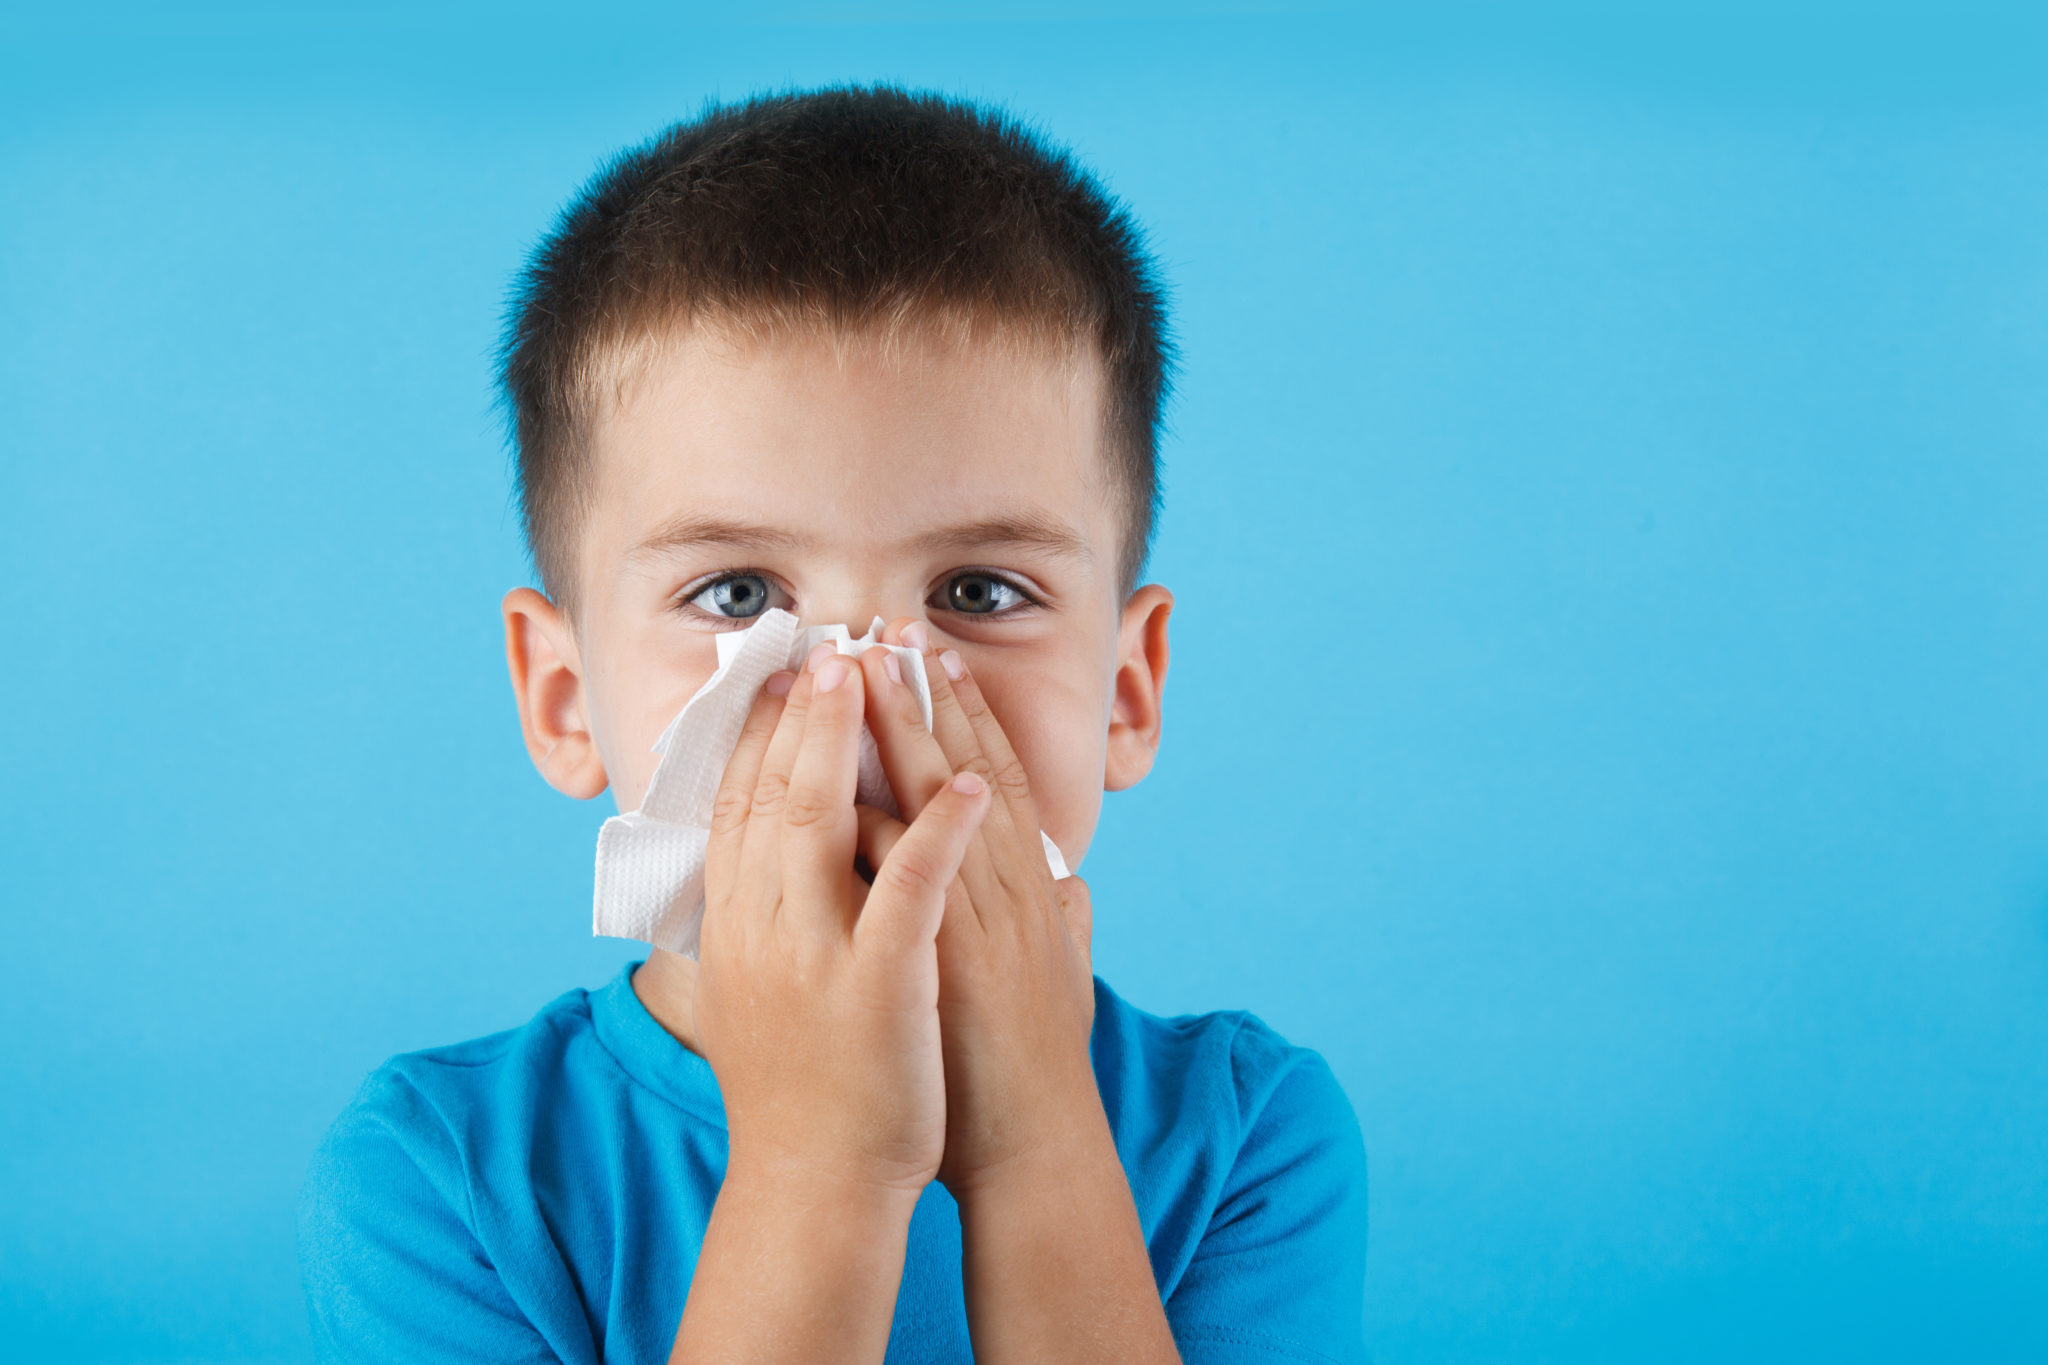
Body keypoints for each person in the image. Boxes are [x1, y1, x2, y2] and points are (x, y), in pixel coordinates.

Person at [297, 82, 1367, 1364]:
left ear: (1127, 693)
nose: (859, 696)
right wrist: (818, 1167)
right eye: (738, 594)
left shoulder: (1248, 1137)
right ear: (563, 696)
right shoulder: (447, 1183)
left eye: (979, 592)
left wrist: (1034, 1140)